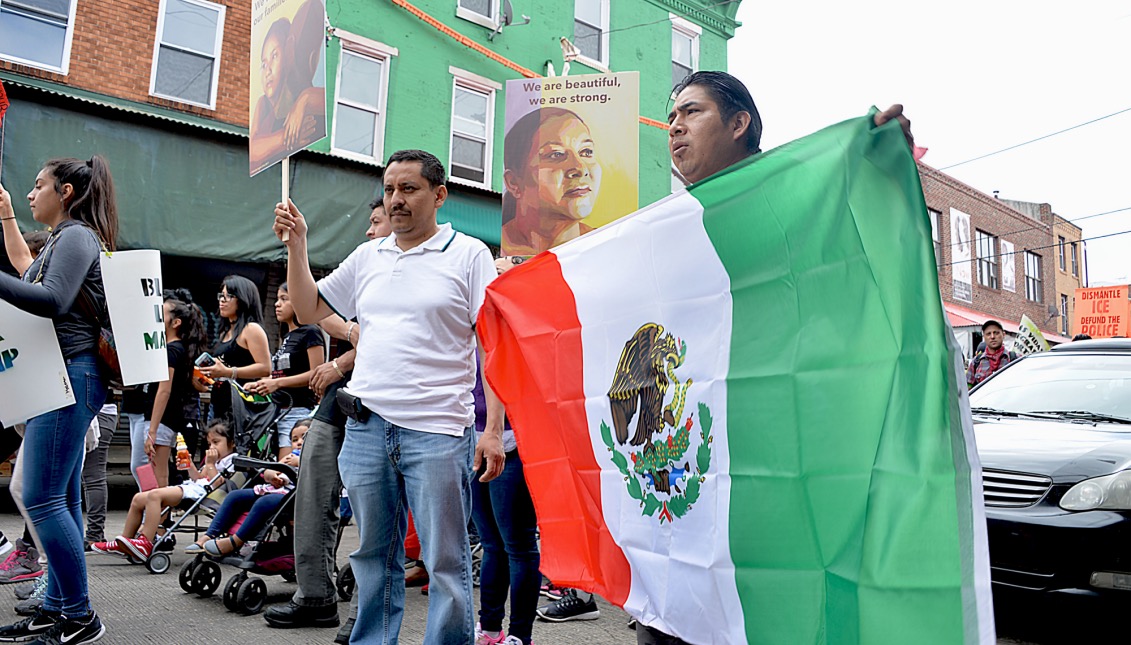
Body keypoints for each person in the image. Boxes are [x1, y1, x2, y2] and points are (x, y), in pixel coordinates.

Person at [616, 71, 910, 645]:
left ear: (739, 123)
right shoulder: (663, 226)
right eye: (671, 116)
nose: (674, 126)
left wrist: (878, 169)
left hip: (771, 467)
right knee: (673, 622)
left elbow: (866, 260)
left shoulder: (795, 202)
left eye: (692, 113)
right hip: (687, 470)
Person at [273, 148, 506, 644]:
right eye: (389, 189)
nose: (395, 200)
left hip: (439, 431)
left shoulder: (469, 254)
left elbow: (495, 346)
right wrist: (298, 245)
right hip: (367, 427)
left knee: (445, 561)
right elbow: (310, 306)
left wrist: (492, 430)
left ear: (439, 195)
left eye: (409, 189)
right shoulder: (369, 255)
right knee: (373, 557)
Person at [0, 155, 119, 644]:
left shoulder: (76, 236)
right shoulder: (62, 239)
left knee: (40, 497)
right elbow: (31, 279)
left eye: (39, 184)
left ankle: (80, 617)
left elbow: (52, 299)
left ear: (66, 192)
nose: (31, 194)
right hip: (63, 376)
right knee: (61, 497)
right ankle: (57, 608)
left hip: (71, 376)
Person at [263, 201, 386, 640]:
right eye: (371, 219)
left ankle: (370, 610)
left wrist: (342, 361)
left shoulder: (417, 265)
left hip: (386, 407)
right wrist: (353, 335)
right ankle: (314, 595)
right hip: (337, 405)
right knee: (313, 496)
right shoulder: (361, 266)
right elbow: (315, 307)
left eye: (376, 222)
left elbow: (392, 336)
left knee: (376, 511)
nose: (370, 231)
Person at [472, 257, 540, 645]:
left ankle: (520, 636)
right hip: (474, 439)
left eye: (502, 274)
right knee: (491, 543)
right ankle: (491, 630)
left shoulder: (526, 325)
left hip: (516, 443)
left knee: (518, 544)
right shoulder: (476, 323)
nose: (492, 281)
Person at [90, 420, 236, 561]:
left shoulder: (232, 460)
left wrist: (210, 464)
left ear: (232, 443)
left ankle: (145, 541)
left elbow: (217, 483)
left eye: (216, 442)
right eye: (210, 443)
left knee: (154, 495)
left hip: (204, 496)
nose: (212, 447)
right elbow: (199, 478)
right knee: (138, 498)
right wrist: (190, 466)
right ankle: (125, 541)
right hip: (194, 488)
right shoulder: (214, 460)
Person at [187, 420, 307, 557]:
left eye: (304, 437)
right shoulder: (289, 457)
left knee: (264, 502)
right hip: (274, 490)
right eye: (294, 439)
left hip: (297, 496)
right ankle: (209, 535)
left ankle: (236, 541)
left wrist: (301, 462)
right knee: (235, 496)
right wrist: (272, 475)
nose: (299, 442)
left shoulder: (317, 460)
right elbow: (269, 471)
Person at [501, 107, 600, 256]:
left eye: (586, 152)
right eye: (556, 154)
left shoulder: (606, 247)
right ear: (514, 183)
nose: (580, 168)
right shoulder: (489, 252)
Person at [136, 290, 209, 489]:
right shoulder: (178, 349)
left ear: (175, 323)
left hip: (162, 419)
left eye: (163, 313)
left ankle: (159, 517)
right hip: (163, 419)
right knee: (155, 471)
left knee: (158, 474)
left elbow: (164, 390)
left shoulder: (172, 350)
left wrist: (152, 429)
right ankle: (159, 516)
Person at [247, 282, 325, 458]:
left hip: (296, 412)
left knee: (286, 471)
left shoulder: (310, 332)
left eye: (284, 299)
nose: (277, 304)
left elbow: (316, 373)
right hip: (277, 411)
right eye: (277, 299)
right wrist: (262, 384)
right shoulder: (288, 336)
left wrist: (277, 383)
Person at [248, 1, 327, 174]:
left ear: (288, 53)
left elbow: (328, 101)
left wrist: (305, 100)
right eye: (263, 63)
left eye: (274, 55)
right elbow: (253, 150)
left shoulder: (303, 96)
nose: (267, 70)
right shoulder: (263, 104)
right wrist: (285, 138)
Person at [198, 275, 272, 423]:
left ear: (243, 299)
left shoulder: (251, 329)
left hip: (241, 407)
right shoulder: (225, 331)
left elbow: (265, 368)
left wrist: (229, 372)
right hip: (218, 403)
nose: (222, 300)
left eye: (229, 296)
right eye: (221, 295)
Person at [966, 320, 1019, 388]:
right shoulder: (976, 362)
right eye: (988, 334)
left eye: (996, 333)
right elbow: (967, 391)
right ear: (984, 337)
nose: (992, 337)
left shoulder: (1015, 359)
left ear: (1003, 335)